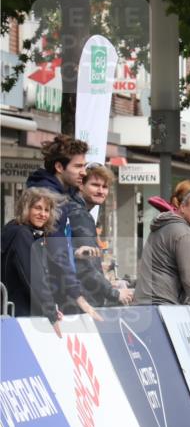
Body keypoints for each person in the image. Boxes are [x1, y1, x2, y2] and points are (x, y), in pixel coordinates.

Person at [25, 134, 100, 320]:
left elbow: (48, 245)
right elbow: (54, 250)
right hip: (46, 297)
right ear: (59, 167)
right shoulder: (50, 197)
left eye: (84, 165)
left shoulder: (56, 193)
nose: (84, 172)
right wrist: (78, 297)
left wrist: (73, 252)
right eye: (78, 166)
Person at [134, 187, 190, 329]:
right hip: (162, 308)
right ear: (182, 207)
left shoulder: (164, 225)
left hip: (144, 305)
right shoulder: (184, 233)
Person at [1, 188, 65, 334]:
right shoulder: (22, 234)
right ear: (25, 208)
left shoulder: (18, 230)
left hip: (13, 313)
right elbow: (34, 277)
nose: (43, 214)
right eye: (37, 208)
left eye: (47, 210)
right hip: (17, 316)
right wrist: (51, 313)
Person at [72, 163, 133, 307]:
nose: (101, 191)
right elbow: (85, 267)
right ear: (81, 185)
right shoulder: (79, 215)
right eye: (95, 185)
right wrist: (114, 293)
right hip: (81, 302)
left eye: (105, 187)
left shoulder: (80, 211)